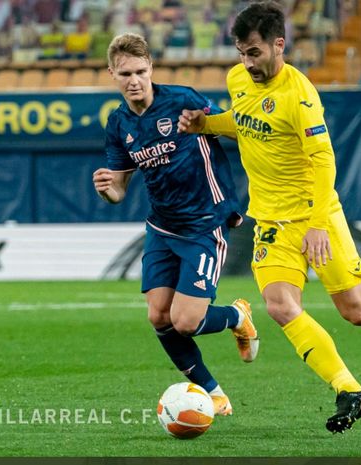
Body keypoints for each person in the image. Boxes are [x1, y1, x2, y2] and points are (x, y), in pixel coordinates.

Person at [177, 1, 361, 433]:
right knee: (280, 306)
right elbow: (245, 122)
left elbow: (323, 161)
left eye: (255, 53)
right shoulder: (238, 79)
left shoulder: (300, 95)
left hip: (314, 215)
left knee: (356, 311)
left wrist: (318, 223)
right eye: (242, 53)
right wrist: (206, 125)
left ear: (278, 45)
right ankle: (350, 390)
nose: (247, 63)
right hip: (269, 221)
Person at [92, 33, 259, 417]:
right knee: (158, 316)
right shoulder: (118, 124)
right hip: (162, 228)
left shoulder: (182, 99)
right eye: (125, 73)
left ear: (151, 67)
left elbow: (230, 126)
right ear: (112, 74)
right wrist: (107, 191)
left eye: (140, 71)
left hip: (205, 223)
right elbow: (119, 188)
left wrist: (206, 122)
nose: (134, 80)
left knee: (186, 321)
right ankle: (214, 393)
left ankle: (237, 316)